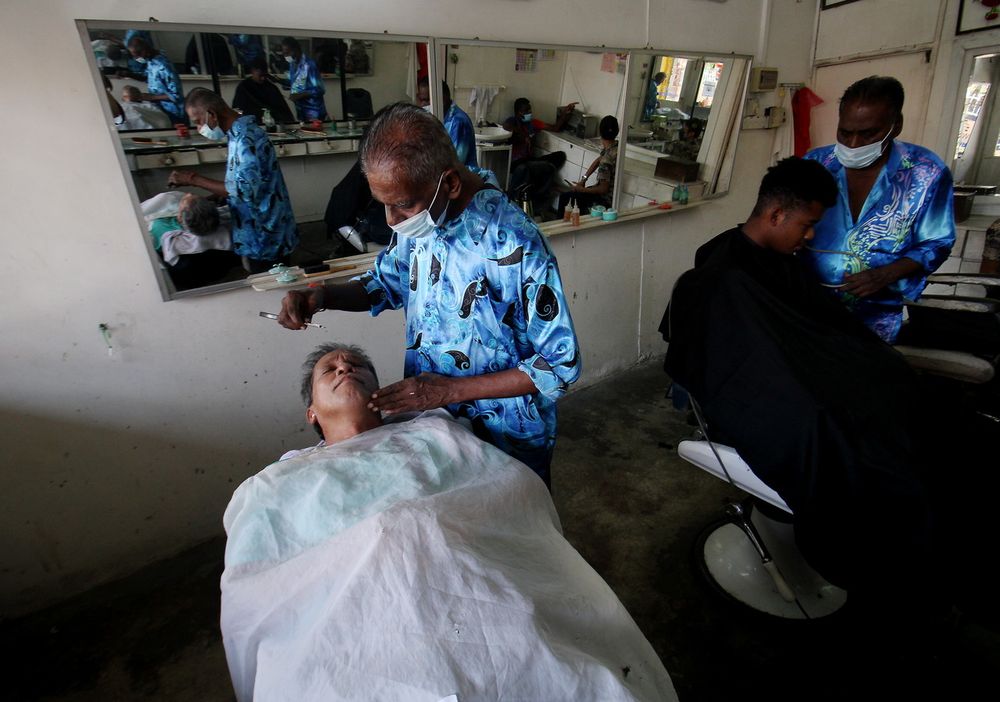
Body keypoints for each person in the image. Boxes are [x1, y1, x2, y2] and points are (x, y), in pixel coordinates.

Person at [220, 343, 677, 702]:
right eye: (331, 369)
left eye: (357, 364)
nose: (346, 368)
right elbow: (256, 587)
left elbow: (510, 491)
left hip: (466, 579)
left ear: (382, 395)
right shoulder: (275, 482)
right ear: (312, 415)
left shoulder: (432, 433)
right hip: (353, 614)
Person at [660, 156, 1000, 639]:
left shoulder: (783, 265)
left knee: (943, 429)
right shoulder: (718, 276)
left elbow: (819, 335)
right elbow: (736, 368)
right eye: (808, 225)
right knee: (883, 468)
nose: (812, 238)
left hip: (827, 388)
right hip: (794, 407)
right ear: (777, 215)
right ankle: (924, 579)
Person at [276, 103, 580, 486]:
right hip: (434, 427)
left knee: (511, 530)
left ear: (450, 183)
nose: (390, 220)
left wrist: (449, 390)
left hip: (507, 438)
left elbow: (560, 365)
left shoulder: (516, 245)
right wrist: (322, 296)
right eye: (382, 204)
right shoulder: (422, 219)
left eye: (401, 205)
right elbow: (384, 283)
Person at [802, 75, 956, 343]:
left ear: (895, 126)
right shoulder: (817, 163)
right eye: (845, 133)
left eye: (867, 134)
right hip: (809, 310)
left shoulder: (926, 172)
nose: (853, 145)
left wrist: (884, 275)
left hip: (876, 319)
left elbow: (937, 243)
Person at [167, 88, 299, 273]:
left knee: (271, 286)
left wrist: (192, 179)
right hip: (257, 230)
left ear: (211, 114)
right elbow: (239, 183)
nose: (199, 129)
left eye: (198, 122)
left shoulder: (246, 139)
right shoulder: (237, 135)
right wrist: (210, 198)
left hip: (266, 236)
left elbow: (240, 189)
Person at [503, 97, 577, 213]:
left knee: (560, 156)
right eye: (526, 111)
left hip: (530, 161)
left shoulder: (533, 123)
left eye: (530, 110)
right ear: (519, 113)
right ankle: (545, 189)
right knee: (539, 168)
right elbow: (506, 126)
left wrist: (564, 114)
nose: (529, 113)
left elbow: (555, 128)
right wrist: (523, 135)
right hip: (517, 163)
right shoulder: (512, 121)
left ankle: (545, 182)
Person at [558, 115, 619, 217]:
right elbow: (598, 160)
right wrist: (583, 180)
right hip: (610, 195)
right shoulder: (615, 147)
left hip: (604, 200)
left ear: (600, 132)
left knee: (565, 198)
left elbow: (603, 189)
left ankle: (560, 227)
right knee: (574, 194)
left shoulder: (606, 161)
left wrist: (582, 189)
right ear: (616, 132)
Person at [416, 77, 478, 168]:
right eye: (421, 100)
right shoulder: (438, 117)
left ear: (442, 100)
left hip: (461, 177)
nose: (422, 105)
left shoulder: (458, 122)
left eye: (426, 100)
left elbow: (455, 163)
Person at [126, 35, 185, 125]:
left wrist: (152, 97)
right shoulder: (151, 61)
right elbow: (147, 77)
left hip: (174, 114)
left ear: (144, 51)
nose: (136, 59)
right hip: (161, 112)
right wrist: (128, 74)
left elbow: (176, 95)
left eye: (137, 56)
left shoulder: (164, 66)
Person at [231, 58, 295, 125]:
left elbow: (283, 112)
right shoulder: (244, 87)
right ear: (253, 71)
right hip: (250, 125)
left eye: (265, 75)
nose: (263, 78)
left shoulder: (271, 88)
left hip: (270, 125)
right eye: (260, 75)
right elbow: (237, 110)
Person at [279, 37, 328, 122]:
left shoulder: (309, 65)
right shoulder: (292, 64)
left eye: (287, 53)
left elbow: (320, 90)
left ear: (295, 50)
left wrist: (301, 95)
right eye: (284, 53)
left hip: (314, 113)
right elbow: (295, 85)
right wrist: (278, 80)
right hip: (301, 112)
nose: (285, 56)